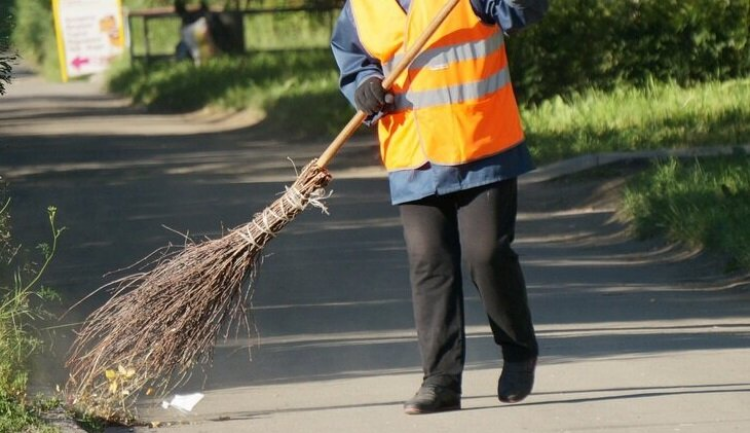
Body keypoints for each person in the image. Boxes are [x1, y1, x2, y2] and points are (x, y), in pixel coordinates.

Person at [331, 0, 548, 415]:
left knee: (486, 256)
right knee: (429, 262)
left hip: (481, 143)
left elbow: (523, 13)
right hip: (413, 154)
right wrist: (363, 85)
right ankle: (440, 381)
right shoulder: (361, 6)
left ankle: (519, 351)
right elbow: (353, 58)